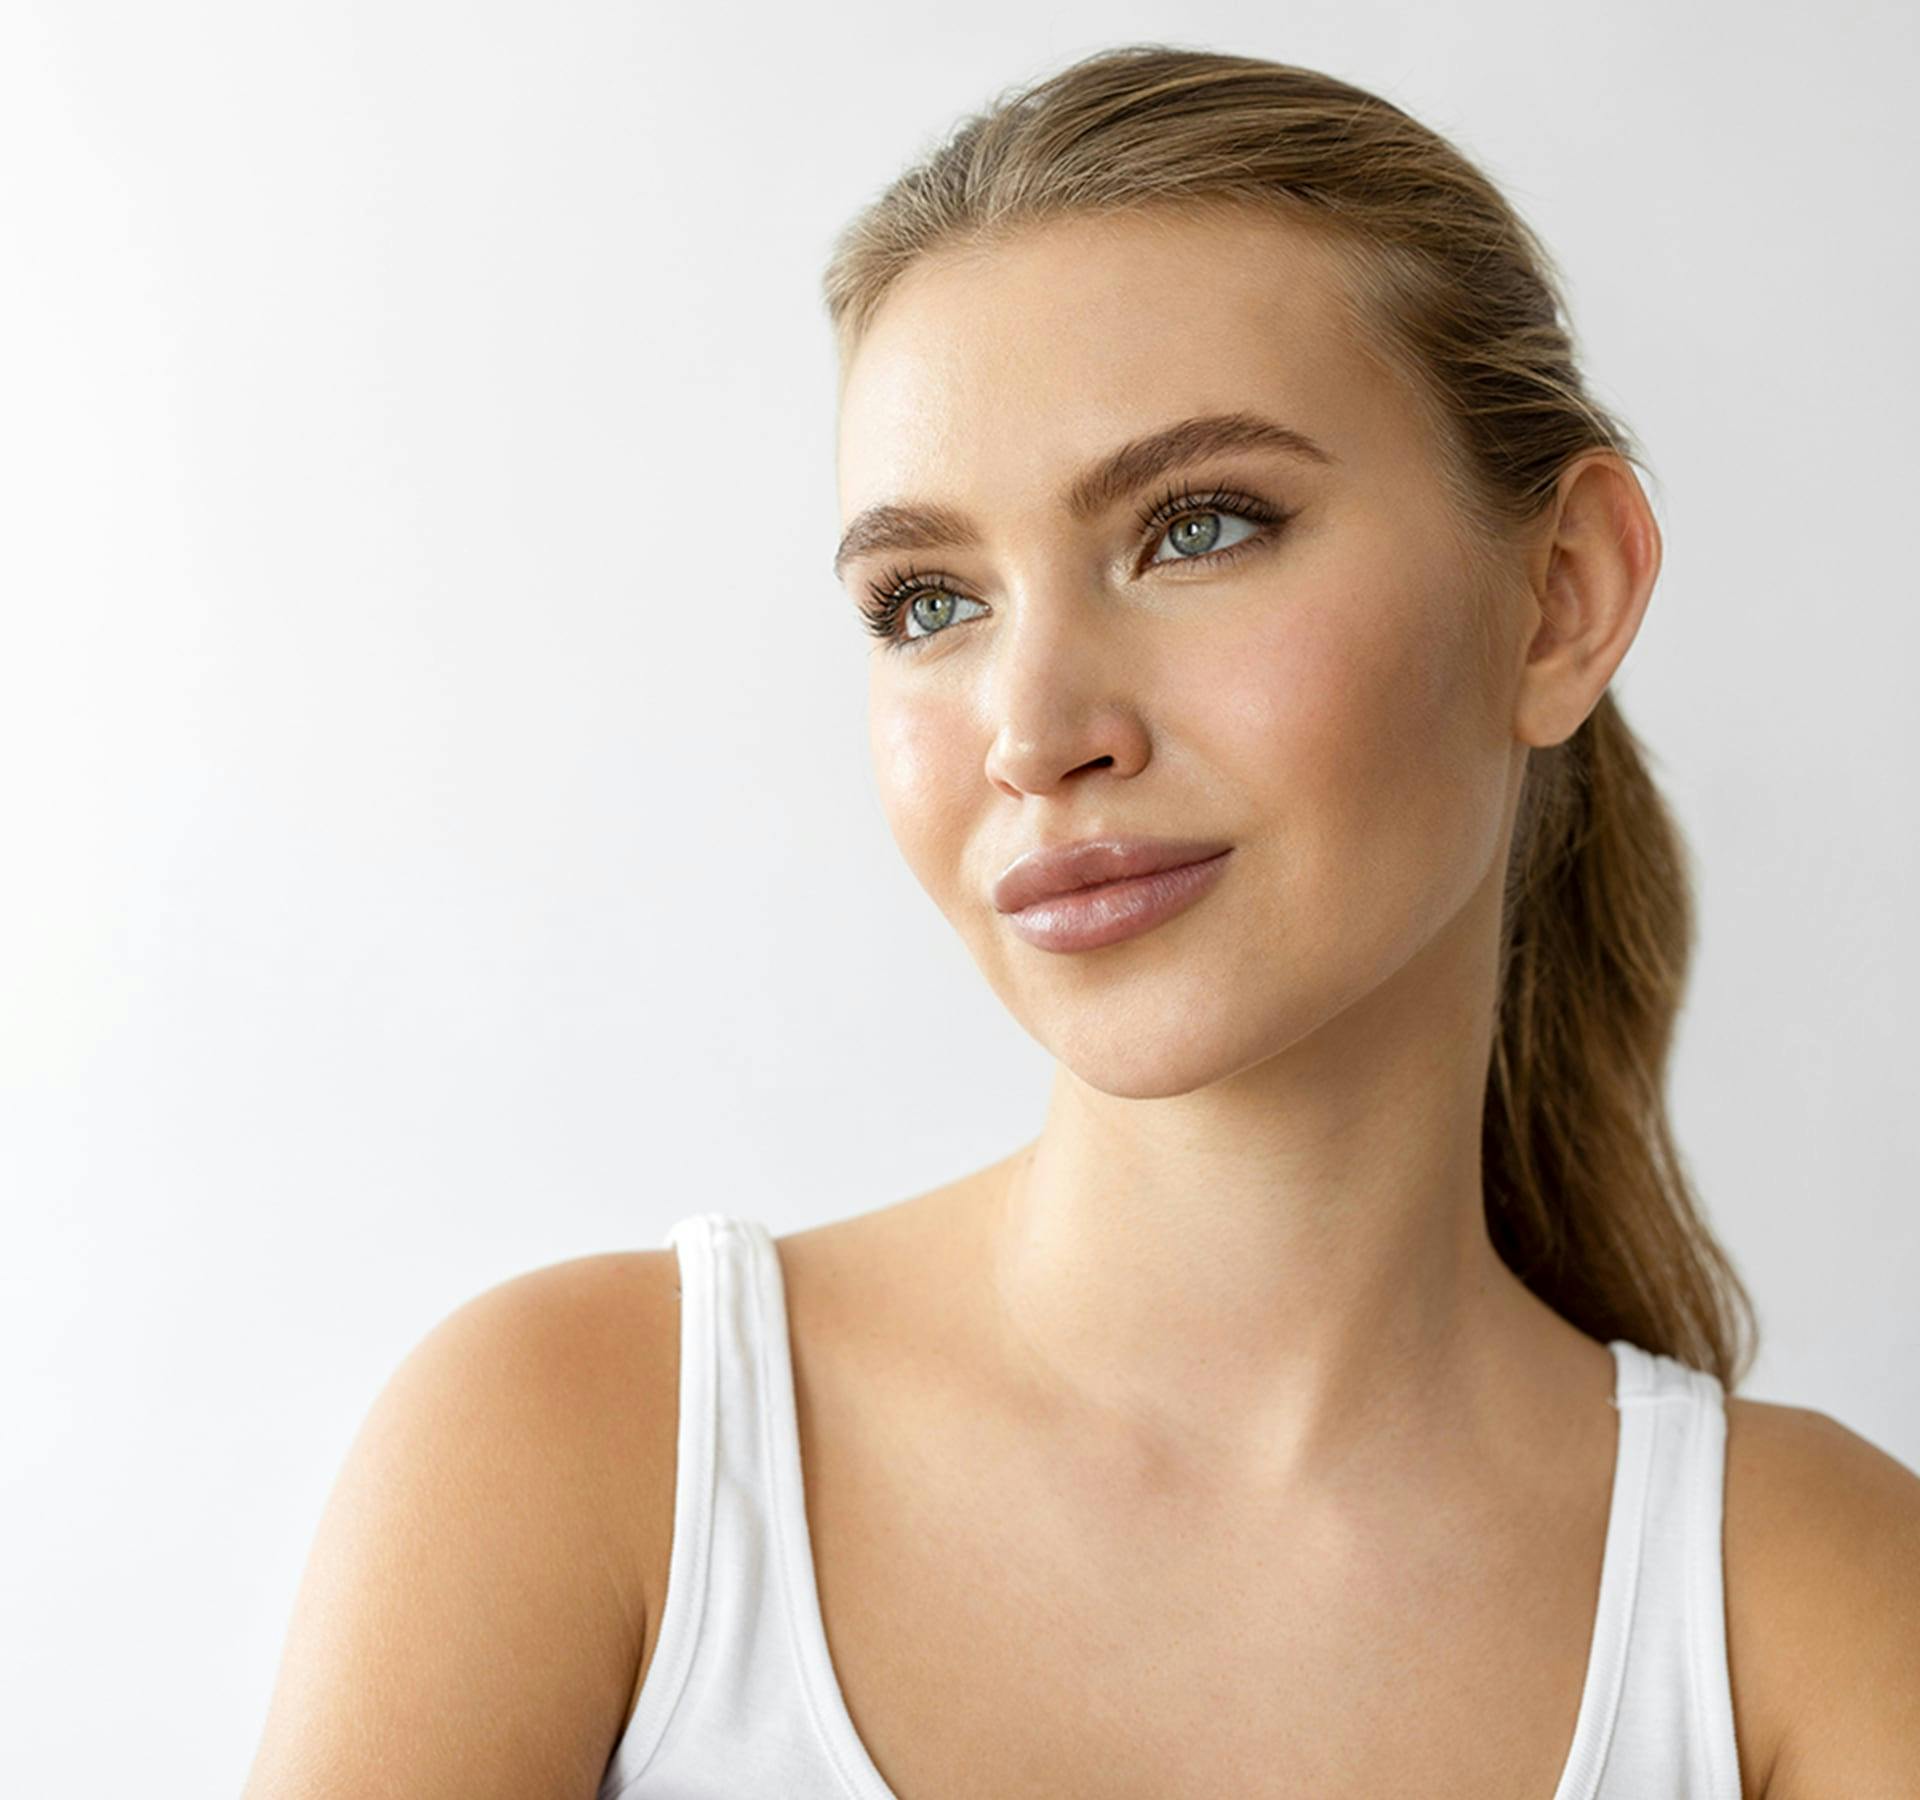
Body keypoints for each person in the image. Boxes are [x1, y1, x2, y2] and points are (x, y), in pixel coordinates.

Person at [241, 45, 1920, 1800]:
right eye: (927, 602)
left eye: (1198, 528)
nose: (1035, 732)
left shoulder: (1814, 1613)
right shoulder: (586, 1449)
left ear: (1561, 597)